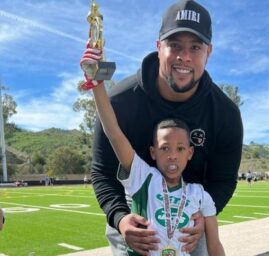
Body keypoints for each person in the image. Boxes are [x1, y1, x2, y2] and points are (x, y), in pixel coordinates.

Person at [80, 0, 243, 255]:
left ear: (208, 52)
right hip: (133, 224)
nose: (184, 56)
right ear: (159, 47)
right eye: (174, 45)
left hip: (190, 221)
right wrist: (121, 218)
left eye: (195, 47)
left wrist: (203, 218)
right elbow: (103, 172)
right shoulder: (120, 102)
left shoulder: (226, 113)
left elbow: (223, 180)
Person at [90, 72, 225, 255]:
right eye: (164, 148)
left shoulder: (200, 196)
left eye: (180, 149)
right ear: (153, 152)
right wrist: (96, 83)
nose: (172, 156)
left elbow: (215, 246)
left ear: (190, 152)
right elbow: (113, 132)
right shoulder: (143, 177)